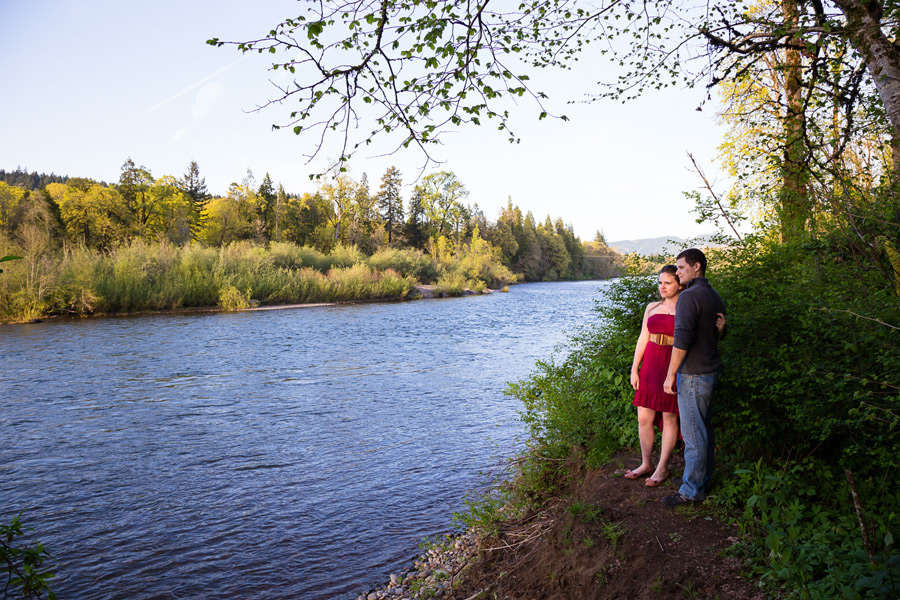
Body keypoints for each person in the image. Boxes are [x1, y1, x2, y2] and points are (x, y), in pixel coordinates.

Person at [662, 248, 726, 507]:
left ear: (696, 266)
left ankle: (692, 491)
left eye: (681, 268)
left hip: (694, 373)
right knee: (704, 429)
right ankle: (700, 478)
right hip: (711, 370)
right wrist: (722, 331)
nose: (677, 273)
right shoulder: (714, 295)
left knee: (693, 433)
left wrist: (670, 374)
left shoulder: (689, 296)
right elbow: (717, 333)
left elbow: (683, 339)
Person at [626, 265, 682, 487]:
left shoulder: (685, 308)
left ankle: (662, 468)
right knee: (644, 418)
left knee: (669, 416)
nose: (662, 287)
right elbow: (643, 338)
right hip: (650, 363)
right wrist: (634, 369)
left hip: (672, 364)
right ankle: (646, 463)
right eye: (660, 282)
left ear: (679, 283)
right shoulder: (651, 307)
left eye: (667, 282)